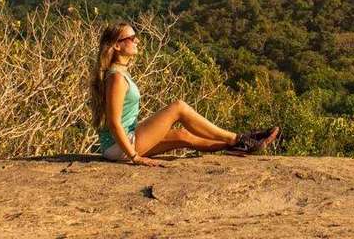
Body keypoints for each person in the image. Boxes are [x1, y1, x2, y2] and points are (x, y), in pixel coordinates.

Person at [89, 22, 278, 165]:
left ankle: (241, 144)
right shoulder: (115, 78)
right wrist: (135, 157)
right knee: (178, 108)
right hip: (118, 147)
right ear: (116, 46)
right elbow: (114, 123)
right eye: (131, 38)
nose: (137, 40)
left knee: (182, 136)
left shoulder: (120, 73)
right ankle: (238, 139)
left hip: (123, 143)